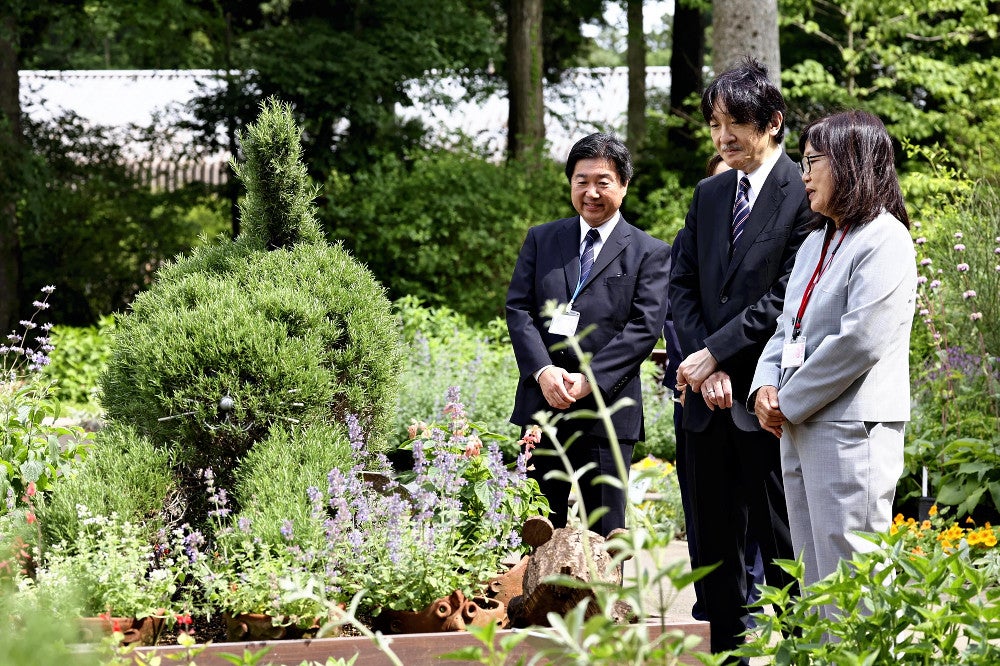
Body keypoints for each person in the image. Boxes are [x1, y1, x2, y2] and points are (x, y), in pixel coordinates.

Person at [668, 56, 811, 657]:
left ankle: (798, 652)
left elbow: (788, 294)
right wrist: (706, 364)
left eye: (736, 124)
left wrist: (719, 353)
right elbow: (682, 284)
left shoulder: (804, 192)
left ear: (772, 122)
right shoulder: (709, 193)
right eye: (714, 124)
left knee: (783, 549)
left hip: (766, 399)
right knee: (712, 553)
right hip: (705, 404)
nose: (723, 137)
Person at [750, 110, 917, 597]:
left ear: (850, 161)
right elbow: (786, 327)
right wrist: (764, 387)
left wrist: (787, 400)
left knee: (854, 575)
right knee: (814, 576)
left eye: (812, 162)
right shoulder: (816, 240)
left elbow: (860, 340)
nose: (803, 175)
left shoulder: (885, 238)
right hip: (799, 424)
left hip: (851, 430)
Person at [506, 132, 672, 538]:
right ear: (570, 183)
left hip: (607, 413)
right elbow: (519, 309)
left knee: (605, 536)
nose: (591, 193)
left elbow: (645, 326)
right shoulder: (543, 239)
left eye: (603, 182)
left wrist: (590, 380)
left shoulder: (649, 252)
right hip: (544, 406)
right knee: (537, 530)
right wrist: (543, 372)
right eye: (581, 181)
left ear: (624, 185)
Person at [665, 153, 764, 624]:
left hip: (755, 395)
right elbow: (676, 308)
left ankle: (757, 603)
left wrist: (723, 359)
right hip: (699, 396)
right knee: (707, 524)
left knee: (764, 524)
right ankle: (717, 611)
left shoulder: (777, 227)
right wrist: (703, 367)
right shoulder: (694, 231)